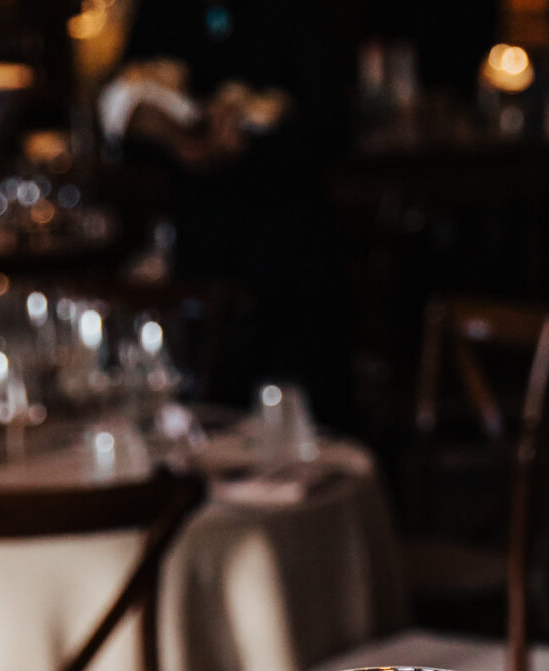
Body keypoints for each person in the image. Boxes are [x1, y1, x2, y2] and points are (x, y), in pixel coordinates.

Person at [103, 0, 358, 412]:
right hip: (200, 249)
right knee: (212, 404)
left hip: (293, 247)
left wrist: (249, 142)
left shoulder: (300, 14)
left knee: (309, 407)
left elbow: (333, 124)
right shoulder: (164, 11)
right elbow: (120, 113)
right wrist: (173, 138)